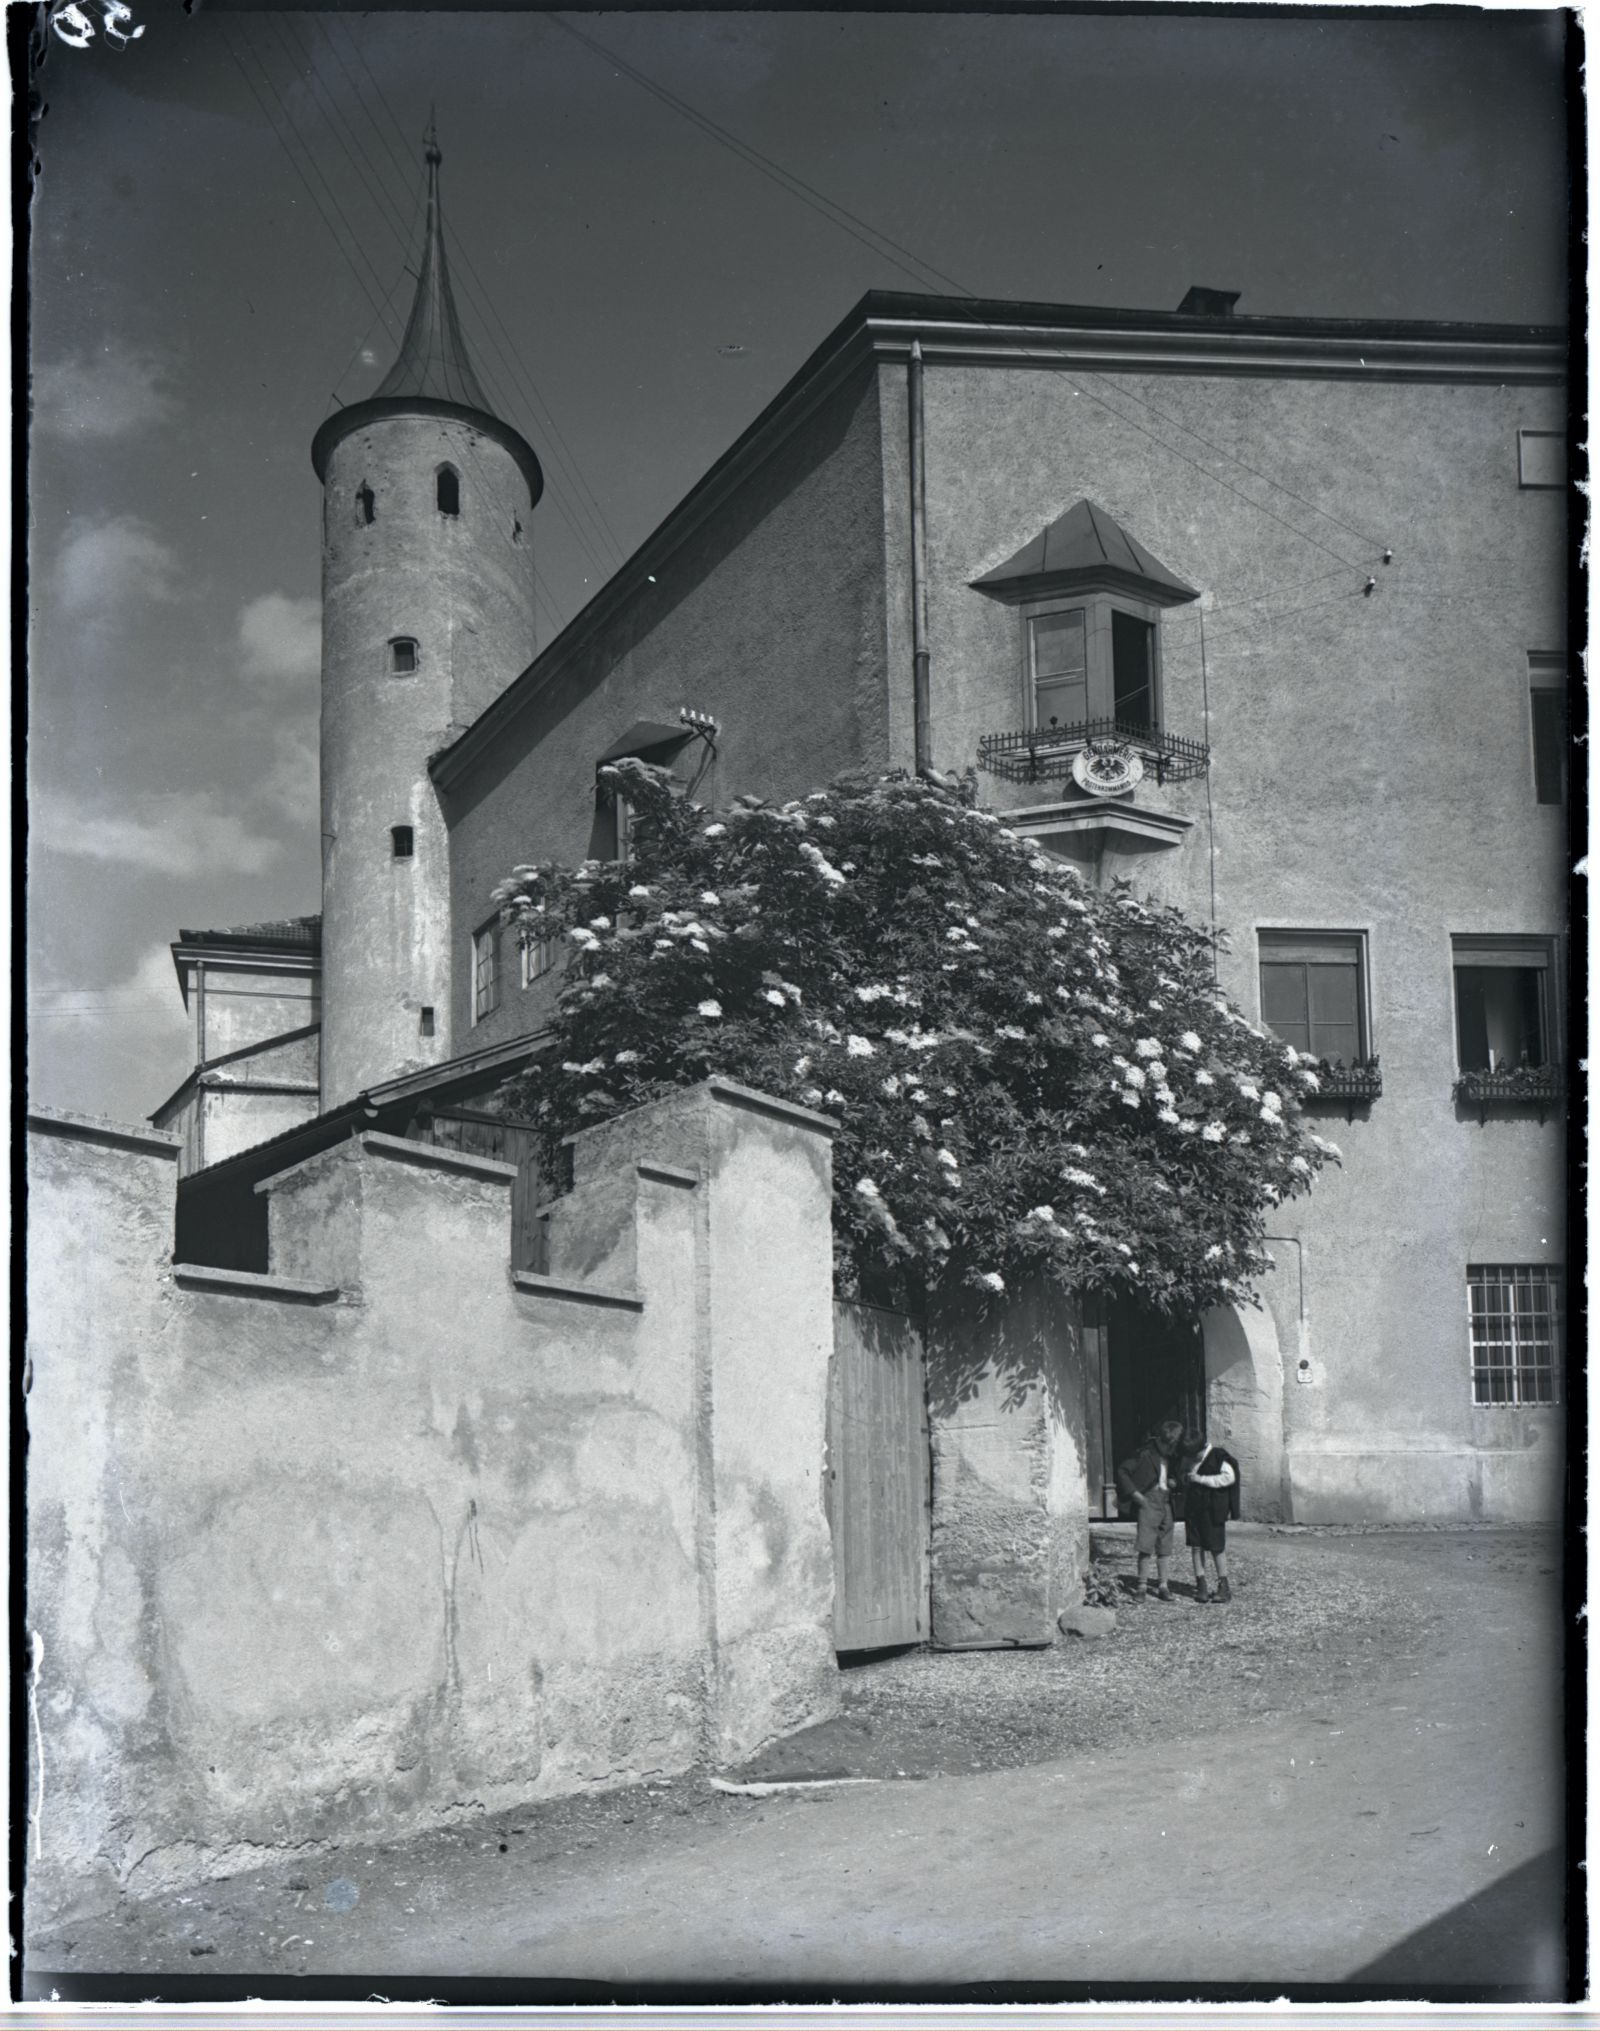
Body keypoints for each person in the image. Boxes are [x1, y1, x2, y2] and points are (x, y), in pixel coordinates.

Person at [1115, 1419, 1188, 1602]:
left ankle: (1163, 1586)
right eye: (1173, 1445)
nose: (1175, 1449)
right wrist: (1135, 1495)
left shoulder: (1172, 1455)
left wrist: (1175, 1483)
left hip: (1166, 1502)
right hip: (1149, 1501)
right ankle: (1141, 1586)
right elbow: (1122, 1470)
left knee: (1165, 1546)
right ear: (1167, 1441)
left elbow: (1177, 1476)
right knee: (1145, 1545)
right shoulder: (1144, 1452)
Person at [1183, 1436, 1242, 1602]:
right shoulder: (1191, 1458)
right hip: (1195, 1508)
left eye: (1194, 1456)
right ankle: (1201, 1584)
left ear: (1201, 1449)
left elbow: (1229, 1478)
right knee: (1196, 1546)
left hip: (1213, 1509)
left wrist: (1201, 1480)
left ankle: (1224, 1586)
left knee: (1217, 1547)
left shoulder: (1218, 1457)